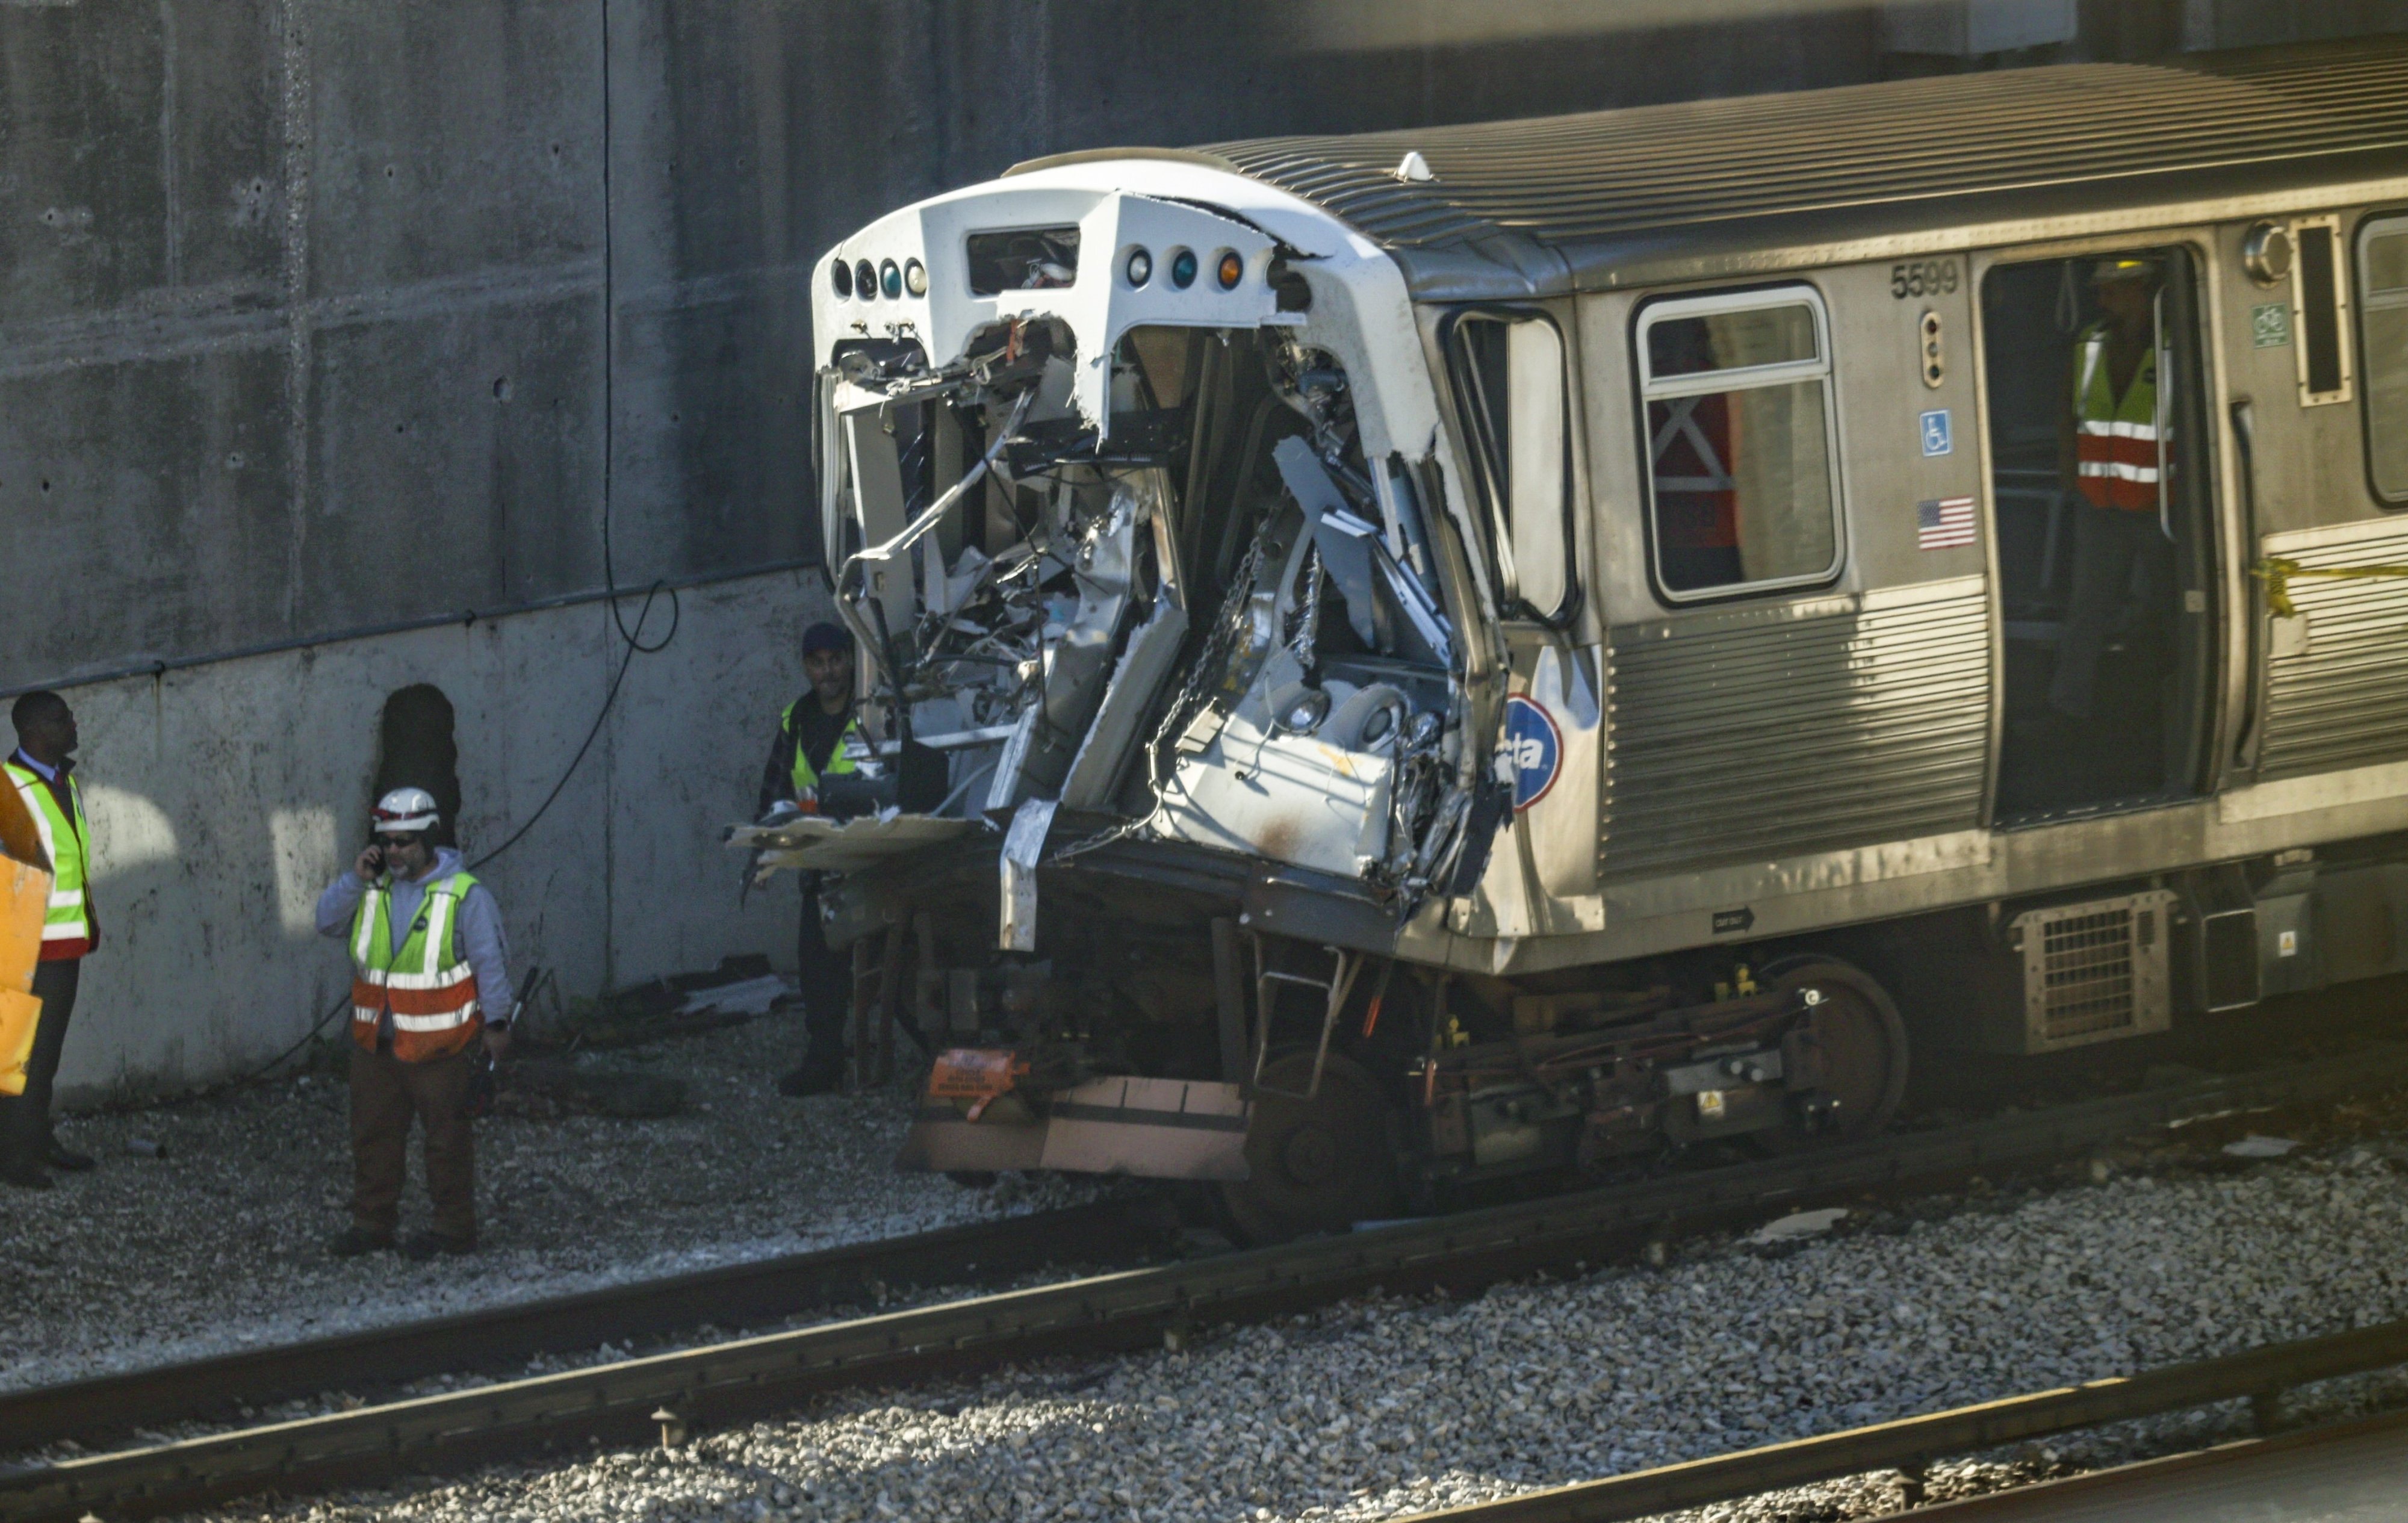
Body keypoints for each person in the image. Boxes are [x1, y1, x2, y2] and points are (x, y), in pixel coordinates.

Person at [315, 787, 514, 1258]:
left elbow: (491, 963)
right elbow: (326, 921)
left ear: (428, 837)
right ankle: (372, 1225)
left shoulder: (466, 895)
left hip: (440, 1048)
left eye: (404, 841)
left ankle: (453, 1231)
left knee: (446, 1141)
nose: (393, 851)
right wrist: (355, 879)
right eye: (387, 841)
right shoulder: (374, 886)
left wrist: (498, 1026)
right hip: (377, 1044)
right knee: (373, 1138)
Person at [2049, 257, 2173, 721]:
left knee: (2168, 608)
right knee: (2086, 611)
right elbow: (2068, 415)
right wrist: (2070, 480)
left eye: (2111, 290)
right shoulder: (2090, 344)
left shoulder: (2176, 347)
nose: (2100, 301)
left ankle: (2168, 700)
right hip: (2099, 506)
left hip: (2161, 509)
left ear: (2141, 288)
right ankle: (2068, 709)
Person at [759, 622, 867, 1097]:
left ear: (850, 661)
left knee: (887, 964)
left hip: (868, 859)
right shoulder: (795, 720)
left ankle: (930, 1056)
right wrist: (766, 849)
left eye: (836, 660)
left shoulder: (871, 713)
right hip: (818, 866)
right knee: (818, 969)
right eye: (818, 663)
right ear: (807, 667)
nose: (828, 672)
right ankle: (825, 1062)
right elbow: (774, 791)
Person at [1, 692, 98, 1190]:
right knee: (22, 1055)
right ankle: (16, 1157)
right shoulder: (11, 788)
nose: (73, 725)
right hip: (27, 950)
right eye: (63, 719)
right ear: (36, 730)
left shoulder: (60, 779)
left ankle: (35, 1139)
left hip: (62, 943)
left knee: (46, 1052)